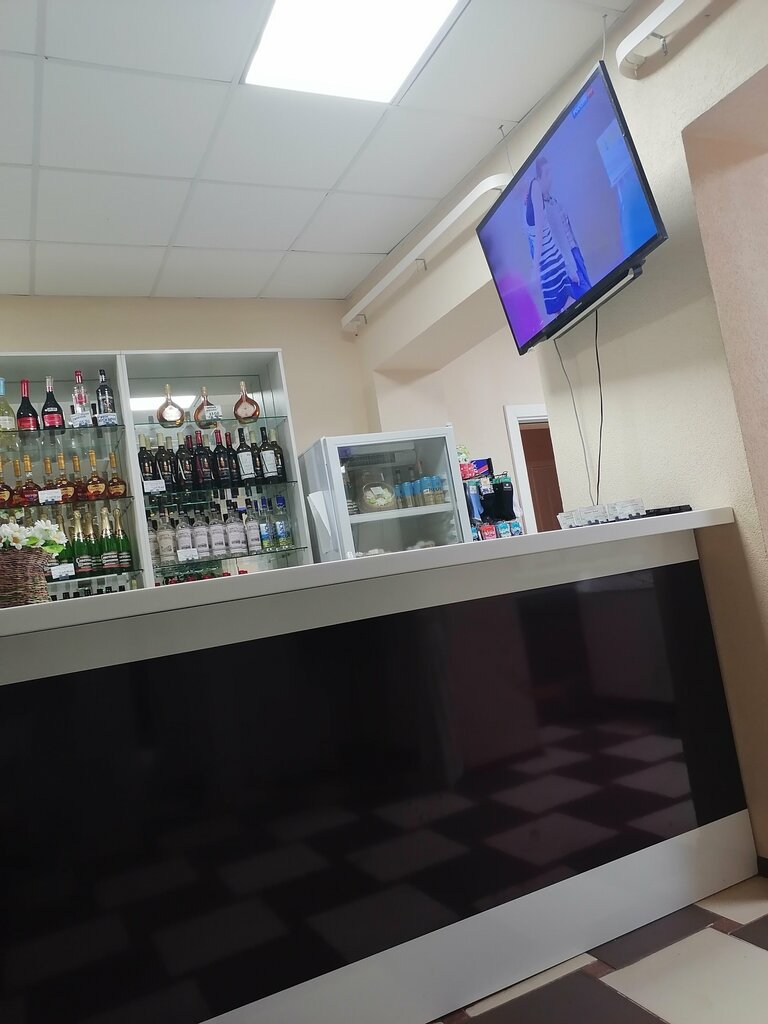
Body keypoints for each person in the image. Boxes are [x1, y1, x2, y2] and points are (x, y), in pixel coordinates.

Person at [526, 156, 591, 316]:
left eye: (551, 172)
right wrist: (569, 268)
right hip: (566, 261)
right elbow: (556, 241)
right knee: (585, 299)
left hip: (575, 252)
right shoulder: (543, 209)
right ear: (539, 177)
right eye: (546, 173)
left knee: (590, 294)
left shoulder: (554, 199)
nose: (550, 177)